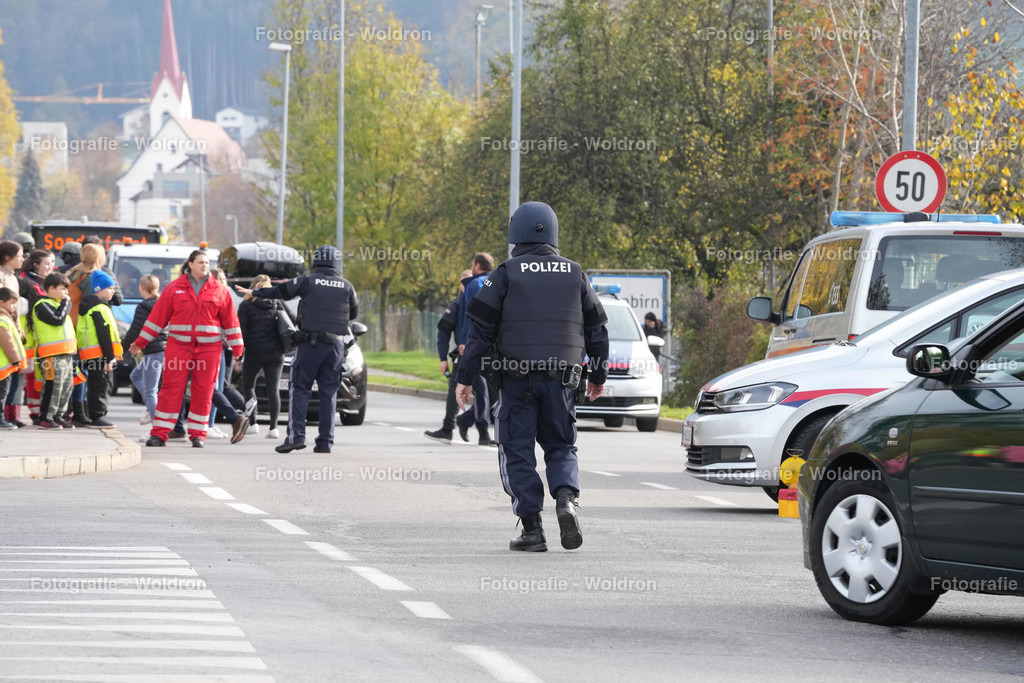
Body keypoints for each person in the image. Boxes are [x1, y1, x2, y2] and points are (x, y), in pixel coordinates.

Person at [456, 201, 609, 553]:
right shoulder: (576, 274)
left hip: (517, 381)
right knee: (561, 445)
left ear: (515, 233)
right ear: (553, 231)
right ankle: (566, 500)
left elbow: (478, 333)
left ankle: (532, 529)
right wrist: (597, 376)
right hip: (563, 381)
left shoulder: (504, 273)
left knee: (516, 450)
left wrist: (465, 378)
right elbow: (597, 330)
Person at [235, 246, 358, 454]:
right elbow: (353, 313)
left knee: (300, 390)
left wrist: (254, 291)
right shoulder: (347, 286)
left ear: (316, 262)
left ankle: (296, 437)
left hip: (310, 345)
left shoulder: (308, 281)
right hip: (335, 347)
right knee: (329, 395)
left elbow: (278, 291)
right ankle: (325, 443)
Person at [132, 250, 244, 449]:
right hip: (179, 347)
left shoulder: (219, 290)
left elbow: (231, 323)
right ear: (190, 264)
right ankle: (159, 434)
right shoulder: (174, 289)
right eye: (200, 262)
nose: (204, 265)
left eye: (207, 262)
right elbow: (157, 319)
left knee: (204, 390)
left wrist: (237, 349)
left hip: (209, 349)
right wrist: (141, 342)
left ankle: (198, 435)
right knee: (170, 390)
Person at [423, 269, 472, 444]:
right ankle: (447, 429)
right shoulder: (457, 304)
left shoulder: (487, 300)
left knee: (490, 393)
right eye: (464, 282)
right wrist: (443, 358)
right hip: (464, 355)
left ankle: (478, 429)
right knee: (455, 390)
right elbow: (443, 331)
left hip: (486, 354)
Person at [455, 253, 497, 446]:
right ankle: (483, 432)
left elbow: (470, 316)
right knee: (486, 390)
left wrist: (465, 342)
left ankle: (466, 420)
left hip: (479, 343)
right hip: (499, 346)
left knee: (488, 392)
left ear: (477, 265)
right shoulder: (502, 280)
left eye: (473, 264)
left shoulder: (475, 284)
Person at [238, 274, 286, 439]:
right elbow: (292, 321)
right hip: (276, 353)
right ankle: (273, 428)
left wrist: (238, 356)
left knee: (248, 386)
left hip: (254, 353)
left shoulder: (245, 306)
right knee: (273, 389)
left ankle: (253, 423)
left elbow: (242, 333)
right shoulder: (277, 303)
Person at [76, 270, 123, 428]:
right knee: (102, 385)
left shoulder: (95, 307)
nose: (113, 291)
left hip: (93, 354)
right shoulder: (99, 309)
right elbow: (104, 335)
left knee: (99, 384)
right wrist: (109, 358)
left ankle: (95, 415)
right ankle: (97, 416)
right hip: (100, 355)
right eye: (110, 288)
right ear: (98, 289)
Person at [31, 271, 76, 430]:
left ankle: (58, 415)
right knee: (53, 386)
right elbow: (57, 320)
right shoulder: (42, 304)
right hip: (51, 355)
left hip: (66, 353)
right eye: (63, 289)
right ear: (51, 288)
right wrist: (66, 304)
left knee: (66, 387)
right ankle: (45, 416)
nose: (66, 293)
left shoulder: (59, 305)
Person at [19, 249, 56, 424]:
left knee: (38, 376)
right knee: (30, 376)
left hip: (42, 338)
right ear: (35, 265)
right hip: (28, 337)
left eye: (52, 263)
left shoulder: (44, 282)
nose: (51, 267)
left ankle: (38, 411)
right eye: (47, 264)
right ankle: (34, 413)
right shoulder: (26, 282)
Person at [123, 275, 165, 426]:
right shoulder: (162, 304)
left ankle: (157, 426)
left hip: (153, 351)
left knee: (150, 391)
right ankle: (152, 408)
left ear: (142, 287)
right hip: (164, 350)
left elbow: (135, 330)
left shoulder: (144, 306)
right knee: (136, 375)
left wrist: (122, 349)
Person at [0, 243, 24, 427]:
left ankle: (10, 413)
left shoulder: (14, 278)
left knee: (12, 379)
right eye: (19, 255)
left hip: (12, 324)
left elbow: (14, 306)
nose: (22, 259)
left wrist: (18, 327)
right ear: (7, 257)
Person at [0, 287, 27, 429]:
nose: (14, 306)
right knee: (1, 394)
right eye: (11, 303)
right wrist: (16, 360)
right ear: (1, 302)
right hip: (4, 366)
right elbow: (8, 343)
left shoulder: (7, 318)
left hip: (6, 365)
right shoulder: (2, 320)